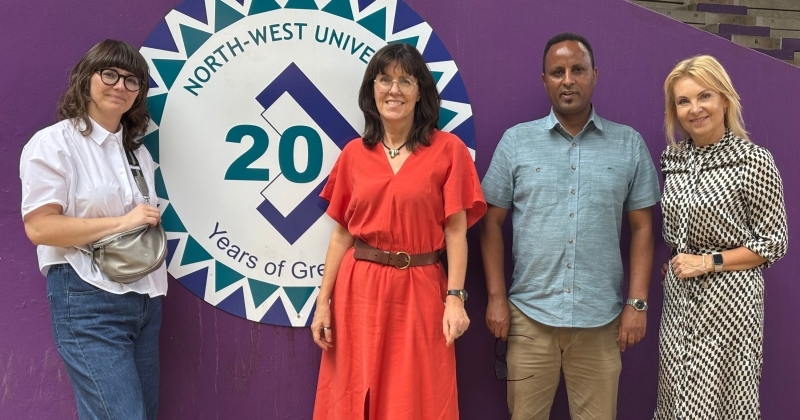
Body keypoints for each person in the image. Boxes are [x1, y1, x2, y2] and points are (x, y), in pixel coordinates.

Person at [480, 32, 661, 419]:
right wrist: (496, 297)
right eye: (557, 71)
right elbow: (490, 224)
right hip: (529, 318)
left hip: (602, 320)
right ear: (543, 80)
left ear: (594, 74)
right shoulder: (516, 142)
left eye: (577, 70)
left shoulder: (628, 144)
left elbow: (644, 228)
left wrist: (637, 303)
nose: (568, 79)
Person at [310, 43, 486, 419]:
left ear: (420, 91)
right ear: (371, 90)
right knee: (352, 391)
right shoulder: (354, 154)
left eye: (405, 80)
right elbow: (342, 234)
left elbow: (456, 232)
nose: (394, 90)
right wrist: (323, 302)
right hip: (358, 290)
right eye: (385, 79)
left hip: (421, 287)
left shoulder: (448, 150)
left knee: (417, 395)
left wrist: (455, 298)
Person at [20, 40, 165, 420]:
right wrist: (123, 222)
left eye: (132, 80)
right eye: (110, 74)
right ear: (87, 78)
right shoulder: (54, 144)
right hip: (87, 296)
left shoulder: (138, 154)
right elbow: (40, 227)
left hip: (145, 300)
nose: (121, 86)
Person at [654, 55, 788, 419]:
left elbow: (774, 242)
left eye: (704, 96)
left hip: (730, 306)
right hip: (680, 305)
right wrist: (680, 260)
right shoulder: (673, 159)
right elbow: (680, 227)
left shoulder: (753, 160)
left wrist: (707, 262)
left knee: (722, 404)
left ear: (725, 100)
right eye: (683, 101)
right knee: (676, 401)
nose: (694, 109)